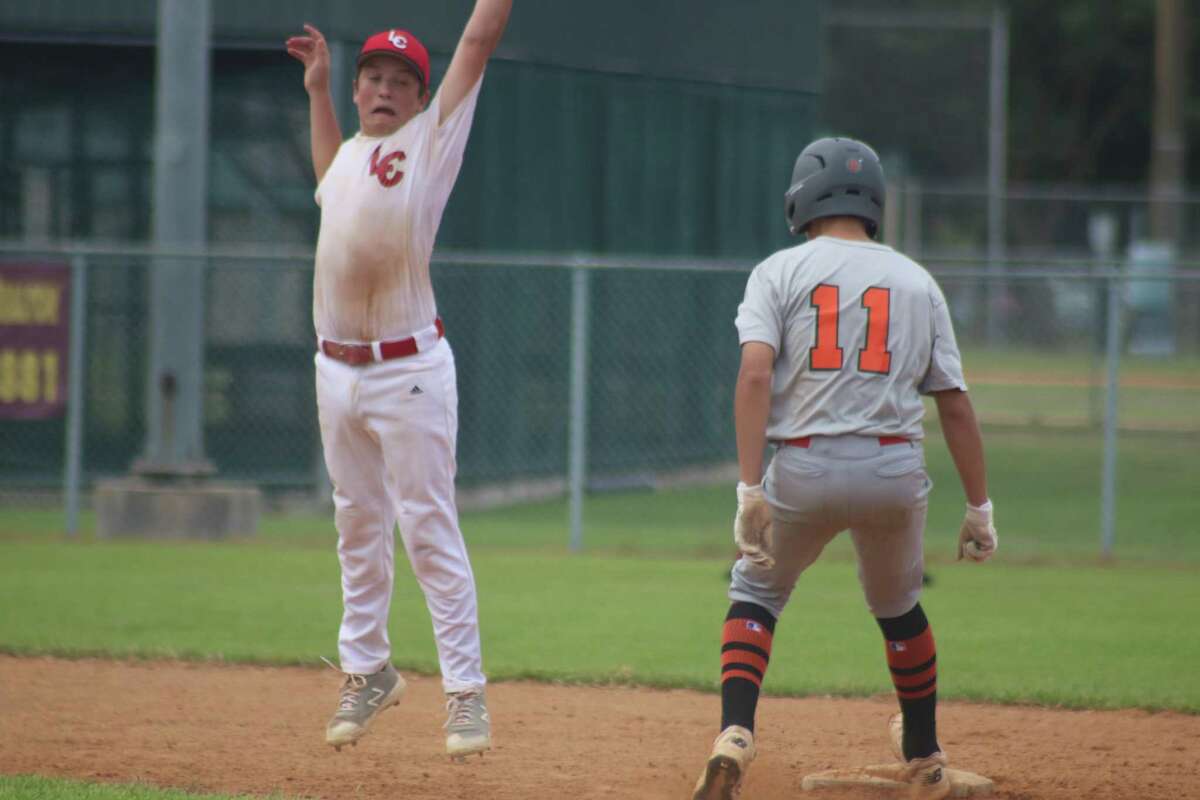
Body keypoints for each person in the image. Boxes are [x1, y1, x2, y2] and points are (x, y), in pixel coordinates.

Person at [690, 137, 998, 800]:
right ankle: (924, 753)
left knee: (757, 593)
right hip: (893, 467)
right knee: (900, 607)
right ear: (874, 203)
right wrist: (979, 508)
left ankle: (734, 736)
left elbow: (753, 373)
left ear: (802, 198)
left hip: (803, 463)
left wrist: (750, 488)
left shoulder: (779, 271)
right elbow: (956, 406)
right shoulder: (917, 280)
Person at [284, 1, 512, 760]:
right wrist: (317, 91)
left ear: (421, 99)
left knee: (425, 526)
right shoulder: (348, 154)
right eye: (372, 76)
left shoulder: (429, 142)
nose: (384, 87)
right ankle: (367, 670)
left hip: (408, 369)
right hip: (336, 370)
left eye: (400, 79)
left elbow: (479, 38)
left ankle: (465, 694)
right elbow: (327, 183)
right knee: (356, 525)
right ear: (358, 91)